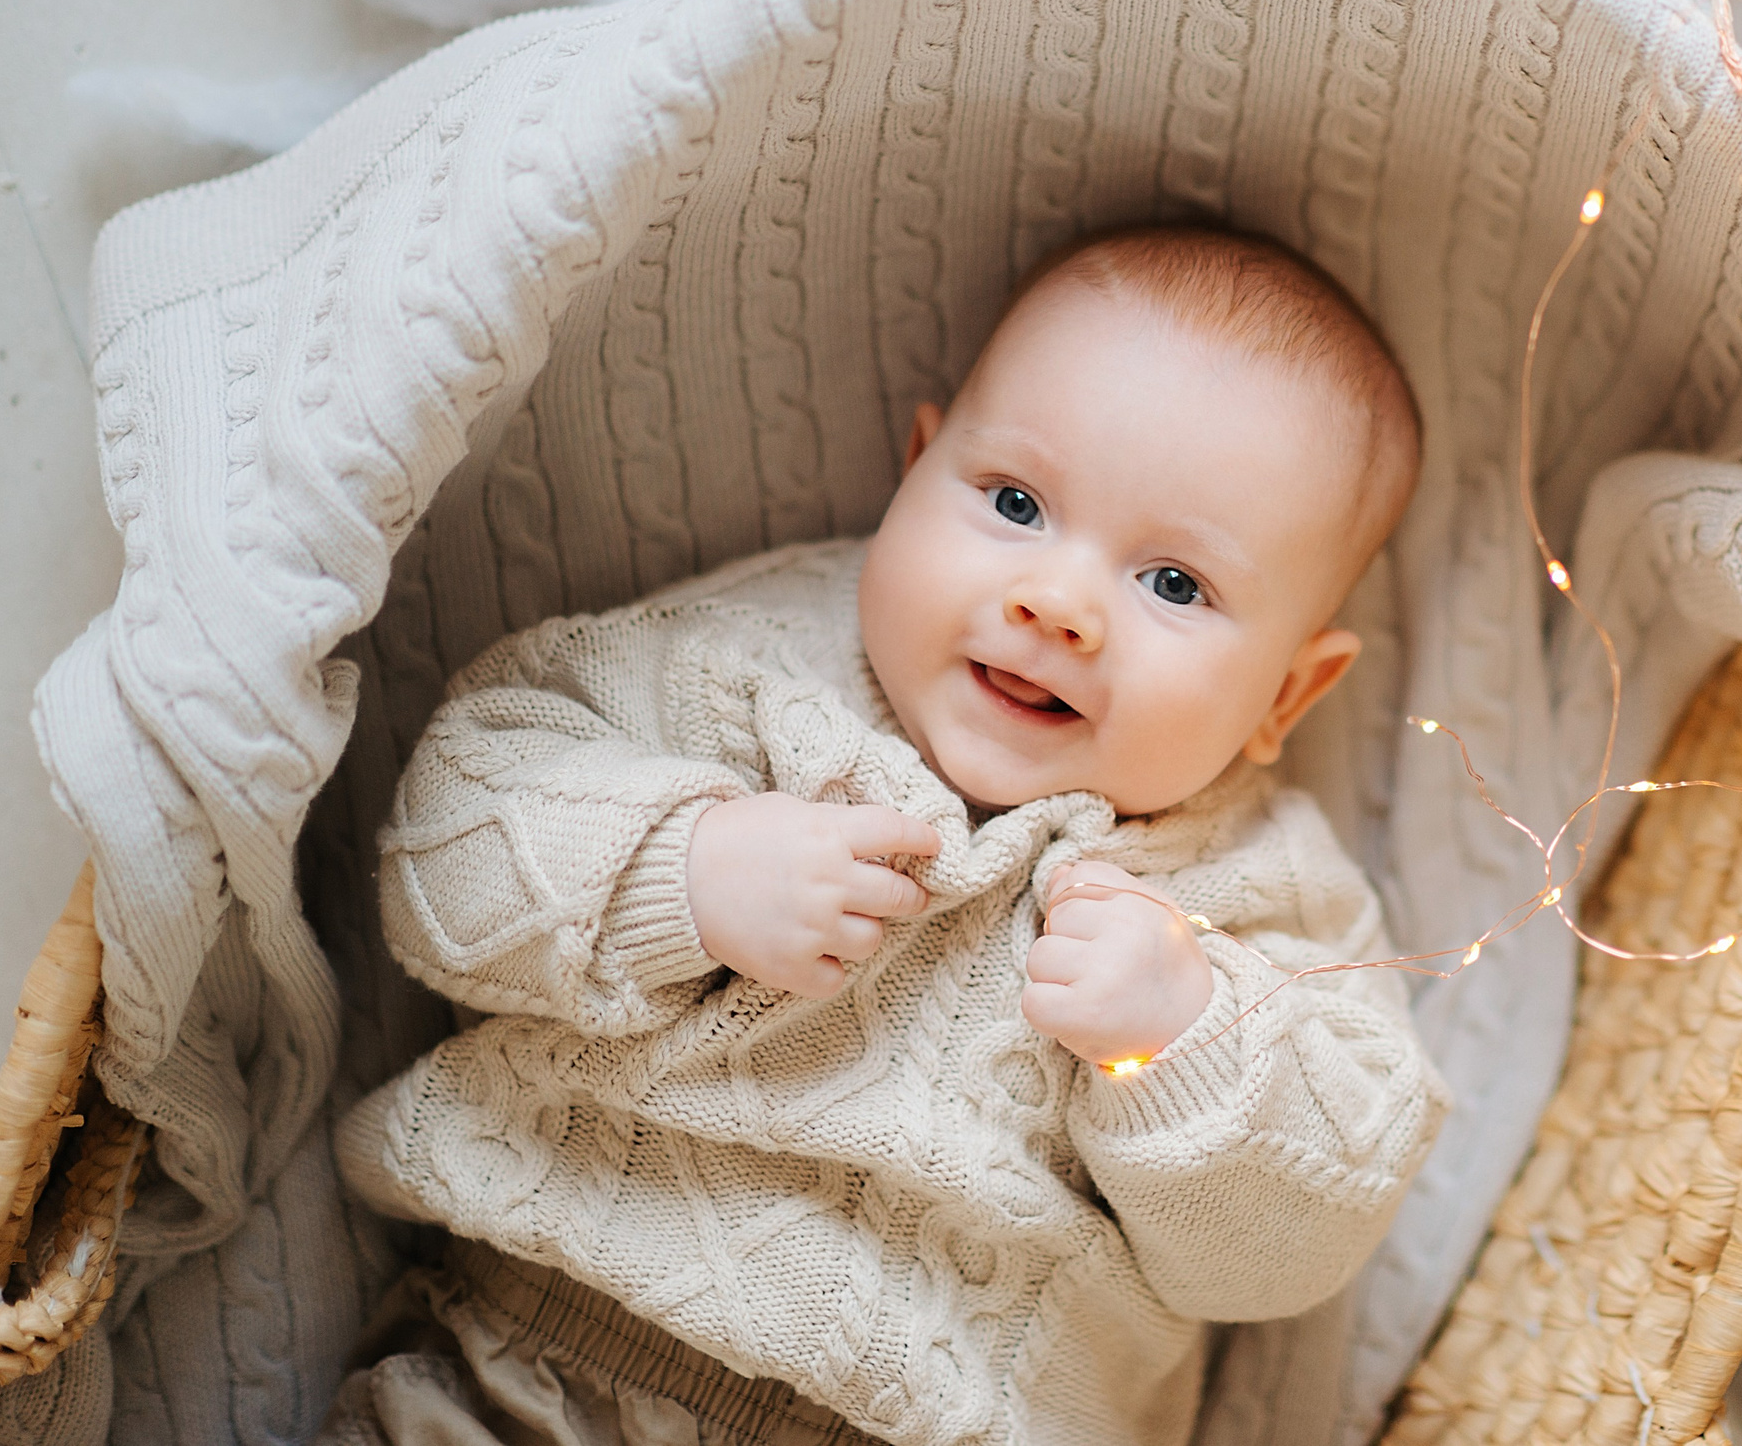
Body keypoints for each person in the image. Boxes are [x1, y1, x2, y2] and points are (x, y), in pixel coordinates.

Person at [323, 227, 1449, 1446]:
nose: (1056, 603)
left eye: (1173, 583)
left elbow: (1296, 1243)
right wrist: (685, 868)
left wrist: (1183, 1039)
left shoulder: (1261, 897)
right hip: (539, 1351)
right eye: (1016, 503)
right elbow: (449, 829)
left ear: (1287, 693)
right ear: (915, 472)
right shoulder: (747, 670)